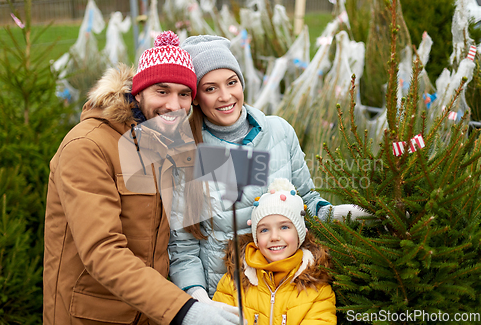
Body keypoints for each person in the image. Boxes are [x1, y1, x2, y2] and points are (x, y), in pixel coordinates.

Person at [43, 31, 240, 325]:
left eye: (184, 93)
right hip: (92, 317)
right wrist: (185, 310)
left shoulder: (167, 142)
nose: (174, 105)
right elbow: (103, 251)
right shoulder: (88, 147)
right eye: (162, 91)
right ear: (138, 93)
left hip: (150, 314)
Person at [168, 35, 370, 302]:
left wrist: (354, 213)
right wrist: (199, 299)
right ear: (195, 98)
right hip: (226, 298)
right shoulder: (187, 151)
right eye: (210, 88)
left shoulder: (279, 132)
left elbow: (306, 203)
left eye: (232, 83)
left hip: (285, 292)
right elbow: (183, 247)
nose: (225, 96)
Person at [213, 178, 337, 325]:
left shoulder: (318, 287)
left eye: (284, 227)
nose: (274, 237)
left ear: (299, 235)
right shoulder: (233, 282)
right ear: (256, 239)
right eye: (264, 230)